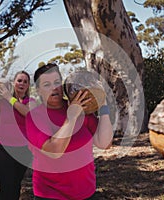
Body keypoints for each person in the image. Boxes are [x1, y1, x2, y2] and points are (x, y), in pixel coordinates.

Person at [25, 63, 113, 200]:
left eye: (57, 82)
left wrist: (103, 105)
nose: (54, 88)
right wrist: (71, 117)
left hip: (87, 192)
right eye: (47, 85)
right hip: (51, 194)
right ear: (38, 90)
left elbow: (104, 143)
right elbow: (54, 151)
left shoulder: (80, 105)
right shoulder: (35, 117)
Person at [0, 71, 36, 200]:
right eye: (19, 80)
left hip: (23, 150)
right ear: (13, 83)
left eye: (25, 81)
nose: (22, 83)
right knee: (7, 185)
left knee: (15, 186)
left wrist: (9, 98)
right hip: (2, 149)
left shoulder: (30, 101)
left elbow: (28, 114)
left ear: (28, 86)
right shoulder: (2, 103)